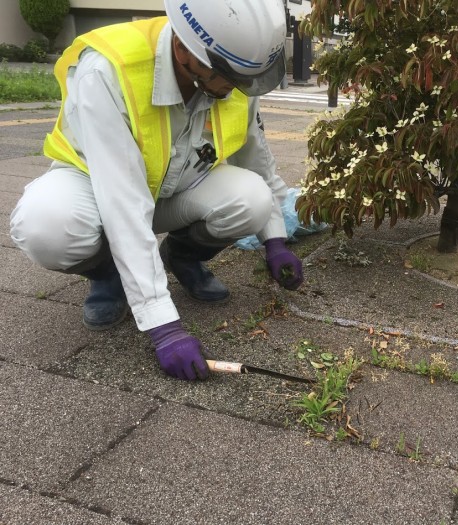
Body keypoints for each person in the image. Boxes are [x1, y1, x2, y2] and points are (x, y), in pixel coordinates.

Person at [9, 0, 303, 381]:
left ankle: (181, 256)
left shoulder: (233, 67)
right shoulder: (106, 71)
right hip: (94, 186)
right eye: (227, 77)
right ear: (184, 51)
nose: (237, 89)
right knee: (47, 225)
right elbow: (122, 200)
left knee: (253, 200)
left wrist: (275, 240)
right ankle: (109, 274)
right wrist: (162, 326)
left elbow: (256, 160)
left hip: (175, 186)